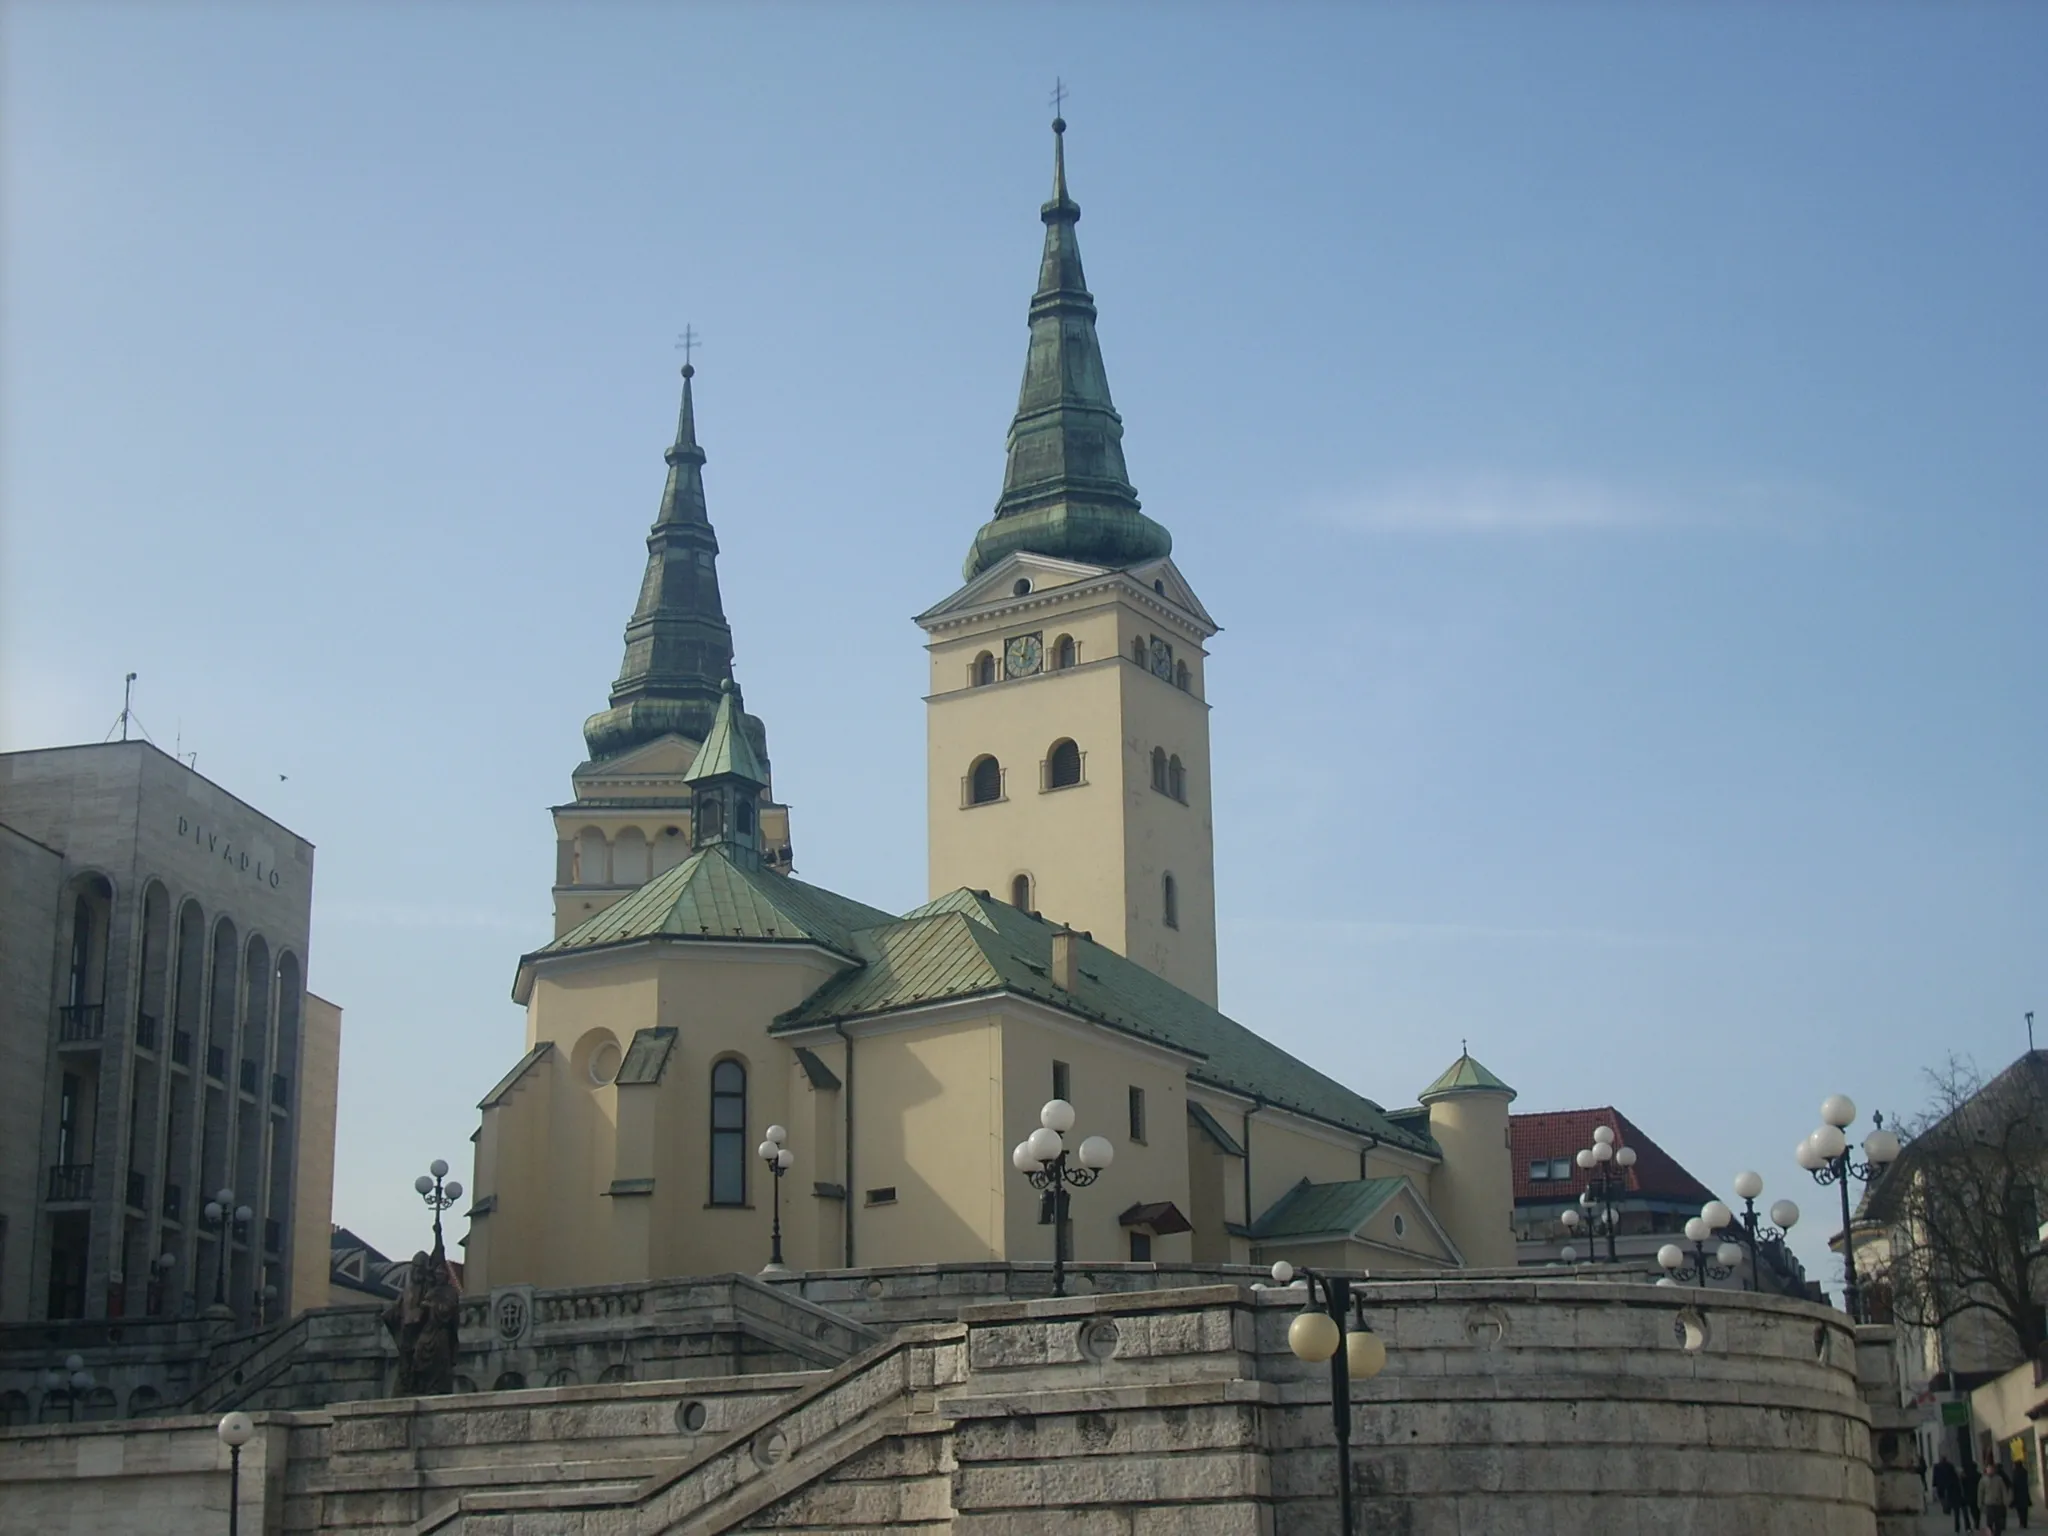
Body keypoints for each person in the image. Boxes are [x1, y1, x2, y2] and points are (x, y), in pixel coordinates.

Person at [1984, 1457, 2012, 1534]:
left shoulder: (1997, 1478)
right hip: (1997, 1500)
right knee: (1999, 1516)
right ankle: (1999, 1527)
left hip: (1994, 1500)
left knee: (1993, 1517)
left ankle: (1994, 1528)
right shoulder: (2000, 1476)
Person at [1962, 1457, 1984, 1533]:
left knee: (1972, 1510)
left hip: (1969, 1495)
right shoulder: (1978, 1475)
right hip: (1977, 1495)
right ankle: (1977, 1522)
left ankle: (1975, 1521)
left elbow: (1963, 1486)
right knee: (1977, 1510)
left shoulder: (1965, 1476)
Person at [2013, 1457, 2032, 1529]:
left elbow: (2014, 1483)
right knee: (2025, 1510)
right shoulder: (2024, 1471)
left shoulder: (2015, 1472)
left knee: (2019, 1510)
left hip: (2017, 1493)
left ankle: (2021, 1523)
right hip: (2024, 1493)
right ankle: (2025, 1523)